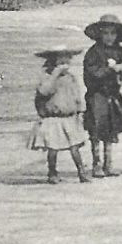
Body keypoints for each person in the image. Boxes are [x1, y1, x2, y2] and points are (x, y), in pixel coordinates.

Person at [82, 13, 122, 179]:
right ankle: (96, 164)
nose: (109, 37)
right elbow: (92, 73)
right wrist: (109, 69)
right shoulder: (93, 52)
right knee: (97, 129)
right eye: (106, 33)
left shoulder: (120, 50)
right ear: (99, 34)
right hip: (97, 95)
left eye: (113, 33)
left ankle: (108, 164)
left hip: (113, 94)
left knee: (111, 128)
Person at [29, 47, 89, 184]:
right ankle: (52, 172)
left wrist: (80, 110)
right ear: (53, 60)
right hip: (53, 119)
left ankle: (81, 172)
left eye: (68, 58)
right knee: (53, 148)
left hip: (69, 117)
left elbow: (76, 95)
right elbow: (44, 91)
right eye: (63, 58)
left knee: (75, 147)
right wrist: (55, 75)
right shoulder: (46, 76)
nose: (67, 61)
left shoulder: (70, 77)